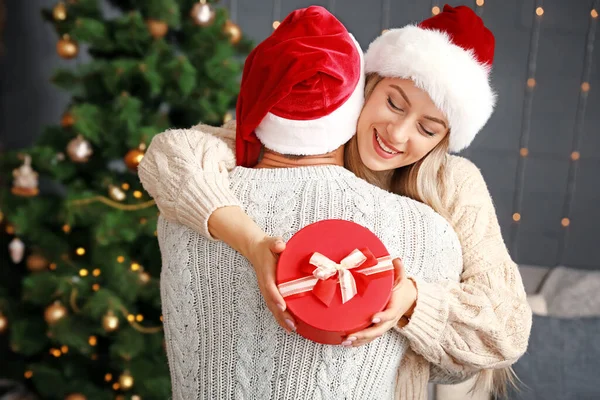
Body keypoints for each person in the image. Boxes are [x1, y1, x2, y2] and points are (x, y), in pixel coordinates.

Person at [140, 4, 532, 399]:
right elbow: (172, 155)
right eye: (394, 103)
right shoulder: (318, 134)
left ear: (442, 141)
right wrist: (252, 243)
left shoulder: (453, 184)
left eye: (427, 129)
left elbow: (506, 326)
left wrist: (411, 299)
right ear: (369, 87)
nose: (397, 134)